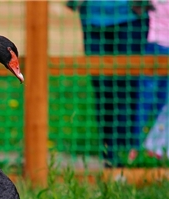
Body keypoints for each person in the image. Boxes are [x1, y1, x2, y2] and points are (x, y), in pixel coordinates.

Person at [67, 0, 150, 167]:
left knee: (126, 90)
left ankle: (120, 157)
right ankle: (109, 156)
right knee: (102, 91)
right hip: (93, 16)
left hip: (131, 16)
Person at [136, 0, 169, 159]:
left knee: (164, 102)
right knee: (145, 99)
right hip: (157, 43)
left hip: (158, 43)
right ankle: (135, 148)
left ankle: (157, 149)